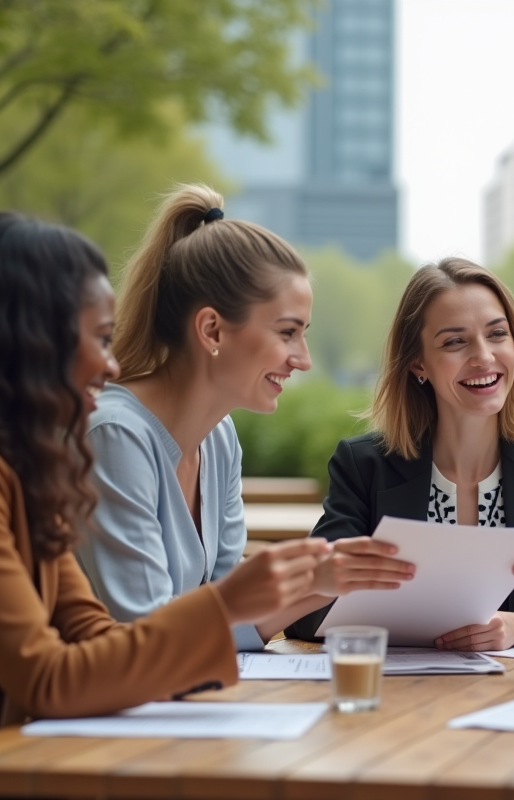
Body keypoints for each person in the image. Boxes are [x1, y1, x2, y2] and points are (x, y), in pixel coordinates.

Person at [0, 213, 331, 800]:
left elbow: (93, 636)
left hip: (1, 768)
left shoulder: (19, 469)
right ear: (29, 339)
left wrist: (256, 599)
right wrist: (226, 603)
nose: (113, 366)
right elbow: (48, 678)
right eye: (99, 339)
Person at [76, 185, 411, 651]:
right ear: (212, 329)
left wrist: (327, 581)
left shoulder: (218, 438)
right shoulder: (115, 436)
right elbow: (145, 635)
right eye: (287, 332)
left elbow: (229, 621)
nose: (303, 359)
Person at [286, 257, 514, 648]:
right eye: (455, 341)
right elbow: (305, 612)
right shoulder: (364, 466)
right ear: (418, 362)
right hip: (399, 697)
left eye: (497, 334)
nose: (484, 357)